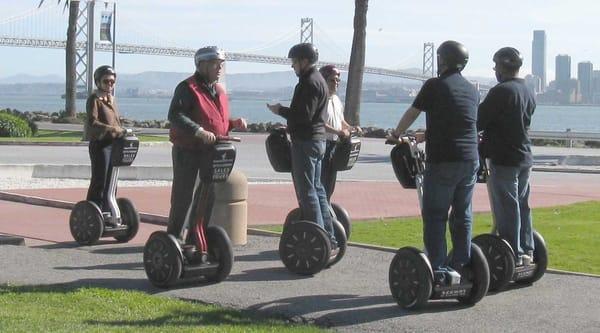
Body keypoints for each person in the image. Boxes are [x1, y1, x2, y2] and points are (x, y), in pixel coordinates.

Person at [387, 40, 480, 278]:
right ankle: (461, 264)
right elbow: (459, 122)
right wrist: (426, 134)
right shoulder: (472, 90)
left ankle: (438, 268)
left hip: (443, 161)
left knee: (435, 215)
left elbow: (413, 111)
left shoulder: (433, 85)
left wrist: (397, 134)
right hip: (470, 159)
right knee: (462, 214)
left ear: (442, 60)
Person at [167, 46, 247, 242]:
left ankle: (196, 238)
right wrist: (199, 132)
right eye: (214, 64)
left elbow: (216, 121)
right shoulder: (187, 88)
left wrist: (233, 123)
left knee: (207, 198)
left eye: (221, 65)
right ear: (201, 65)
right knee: (183, 198)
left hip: (211, 152)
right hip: (188, 150)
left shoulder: (218, 90)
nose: (219, 68)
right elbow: (175, 115)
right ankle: (174, 239)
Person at [266, 43, 336, 246]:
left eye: (294, 62)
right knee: (318, 189)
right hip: (318, 140)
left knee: (307, 192)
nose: (293, 66)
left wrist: (280, 110)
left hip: (306, 142)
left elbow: (303, 116)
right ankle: (328, 236)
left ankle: (318, 239)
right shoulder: (320, 80)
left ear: (304, 61)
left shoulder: (308, 83)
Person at [478, 47, 536, 265]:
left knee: (507, 206)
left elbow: (478, 120)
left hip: (504, 157)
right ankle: (527, 250)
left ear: (502, 67)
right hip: (524, 156)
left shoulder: (501, 91)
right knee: (522, 204)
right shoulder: (528, 90)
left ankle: (514, 253)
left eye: (496, 66)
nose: (495, 70)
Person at [85, 65, 127, 211]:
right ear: (98, 82)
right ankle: (94, 210)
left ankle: (108, 209)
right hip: (100, 144)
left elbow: (116, 120)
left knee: (112, 181)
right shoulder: (94, 99)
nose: (110, 84)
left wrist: (123, 129)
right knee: (100, 180)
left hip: (114, 144)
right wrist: (112, 129)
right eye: (106, 81)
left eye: (112, 82)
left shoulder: (112, 99)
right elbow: (92, 122)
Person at [318, 64, 360, 200]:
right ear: (323, 80)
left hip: (334, 146)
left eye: (338, 80)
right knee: (321, 181)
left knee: (330, 182)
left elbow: (340, 121)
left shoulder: (336, 99)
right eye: (332, 80)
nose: (336, 83)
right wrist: (338, 132)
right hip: (322, 145)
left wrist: (352, 128)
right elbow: (318, 123)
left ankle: (327, 206)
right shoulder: (319, 99)